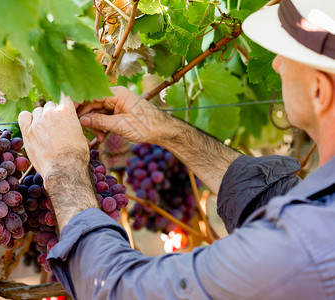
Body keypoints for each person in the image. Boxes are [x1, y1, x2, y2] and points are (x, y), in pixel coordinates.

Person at [18, 0, 335, 298]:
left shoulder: (303, 247)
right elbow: (275, 198)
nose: (277, 64)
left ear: (319, 90)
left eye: (287, 54)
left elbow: (119, 291)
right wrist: (167, 131)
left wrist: (65, 167)